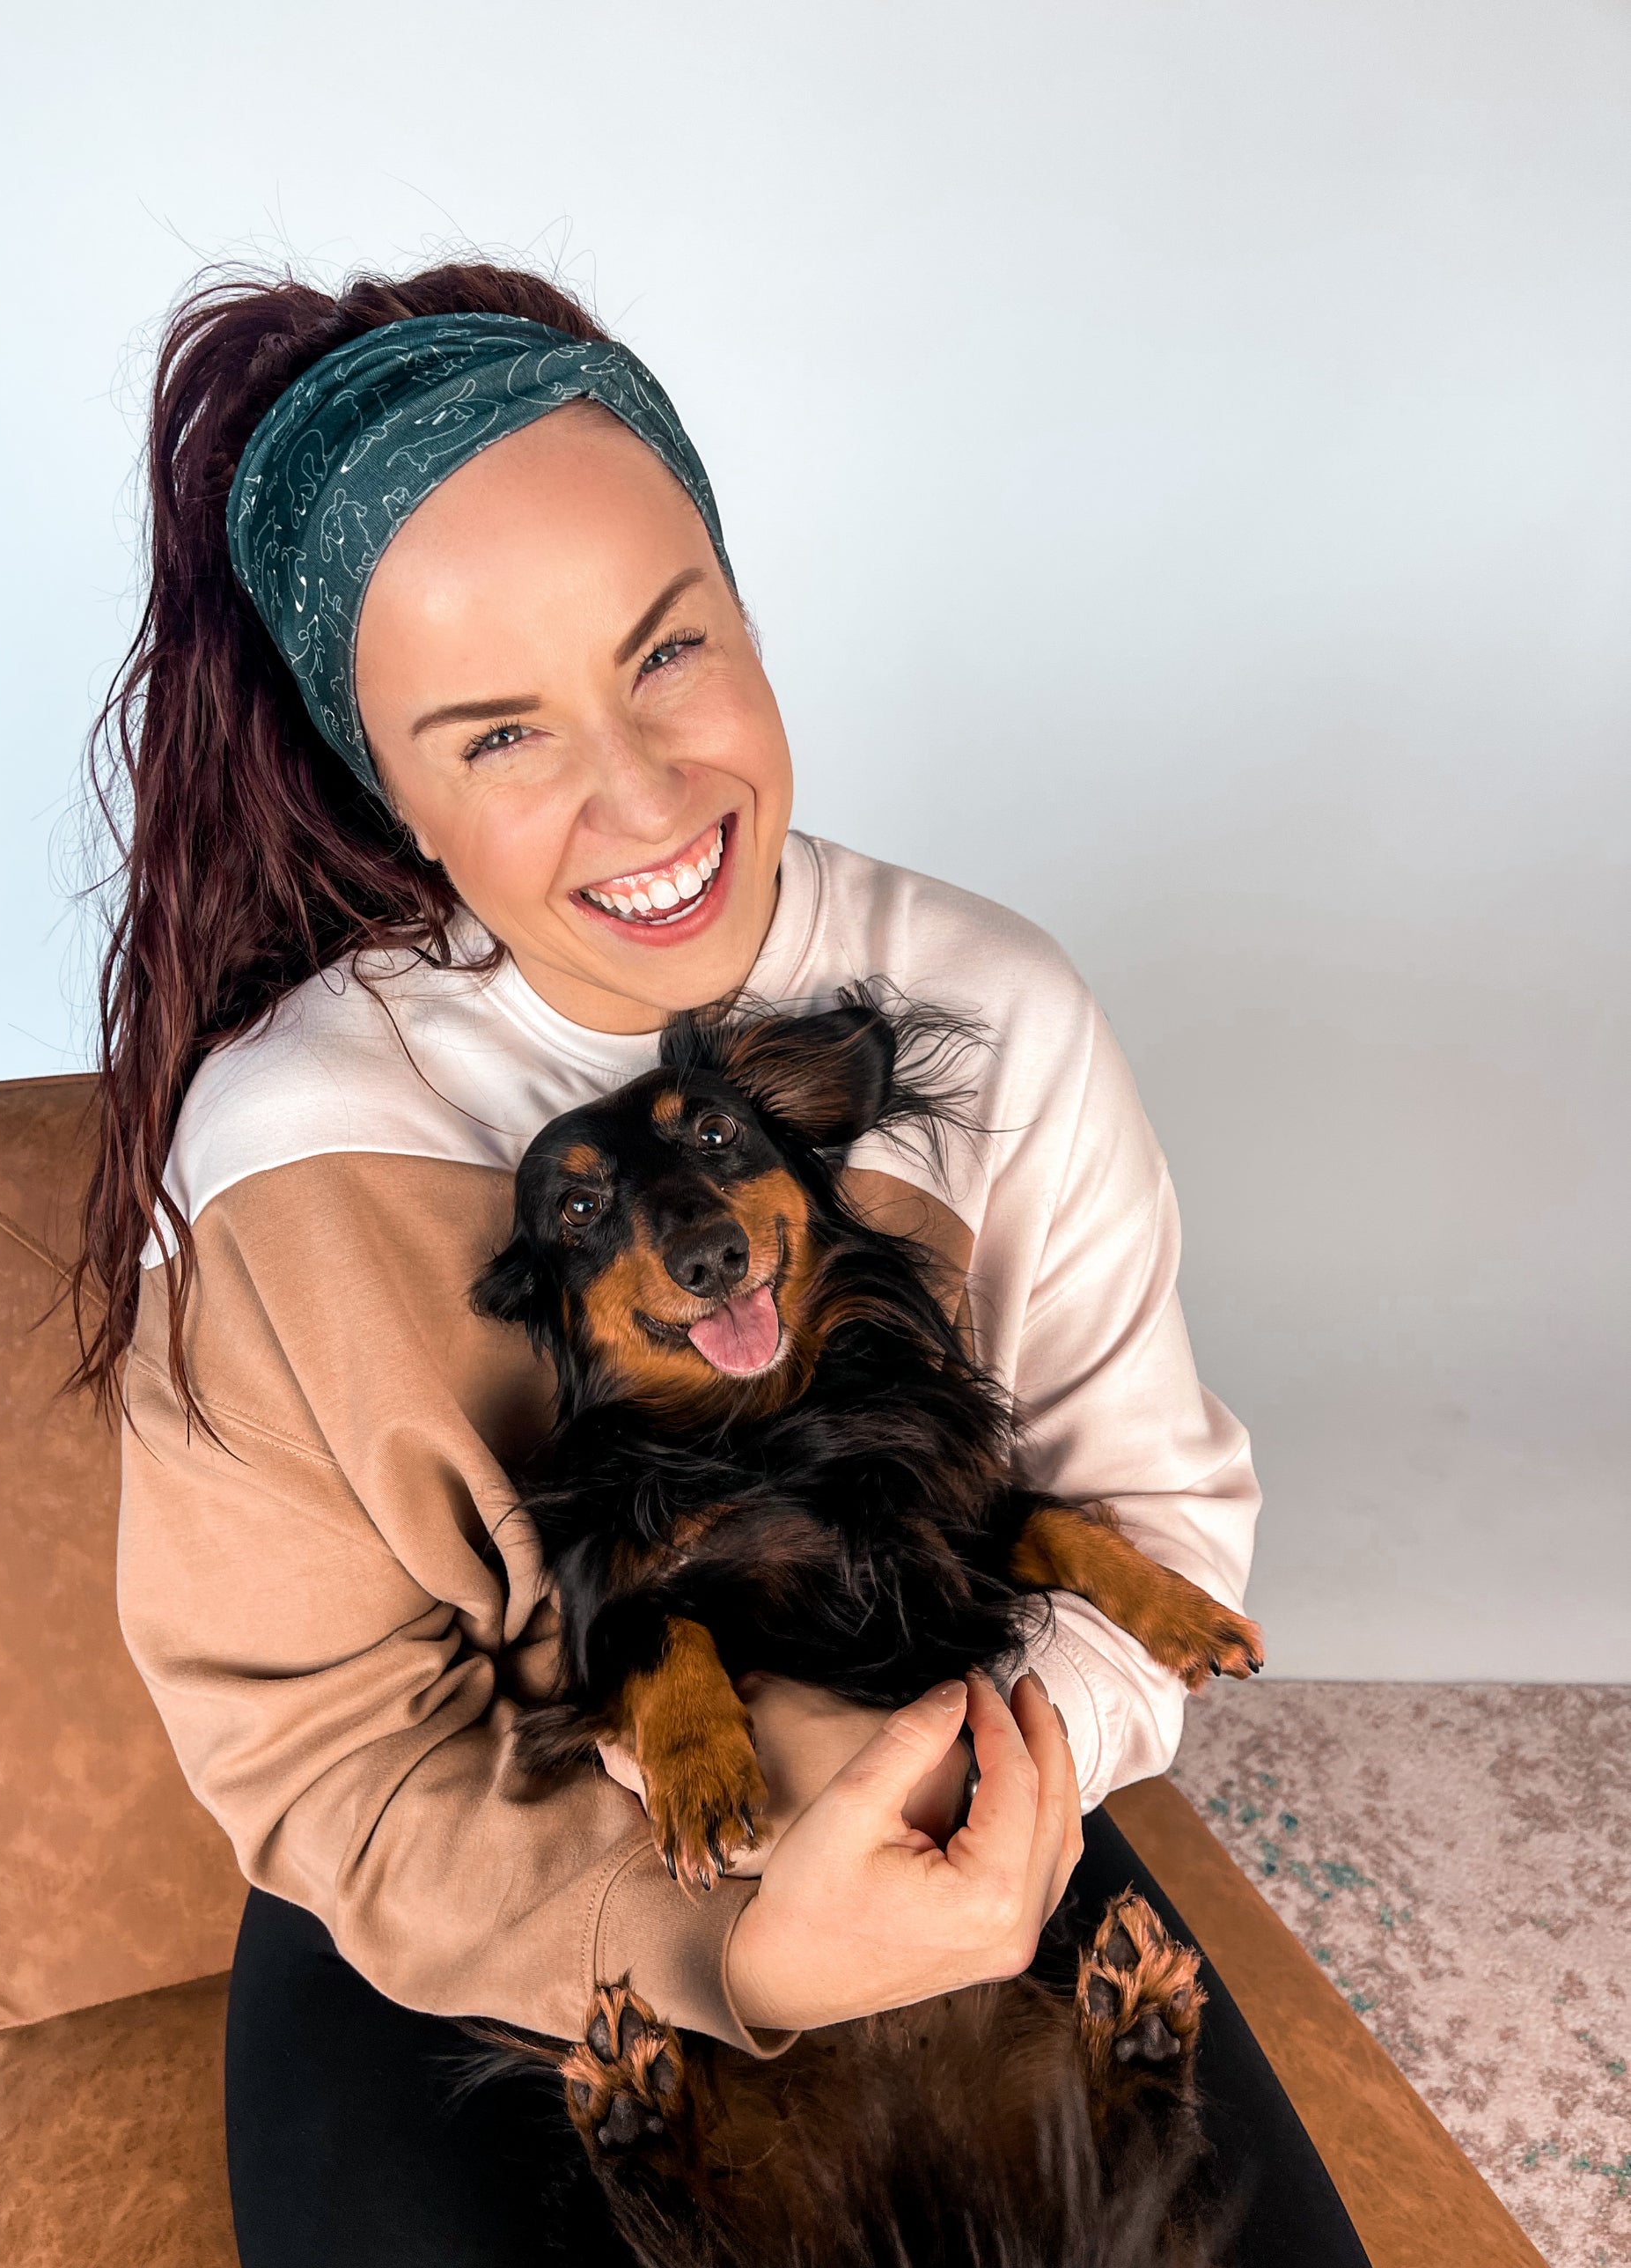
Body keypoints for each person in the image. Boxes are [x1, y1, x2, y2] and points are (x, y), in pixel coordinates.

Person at [76, 260, 1369, 2265]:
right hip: (467, 1907)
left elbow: (1150, 1526)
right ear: (385, 794)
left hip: (956, 1807)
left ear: (749, 612)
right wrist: (724, 1931)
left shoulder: (993, 1008)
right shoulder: (273, 1153)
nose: (646, 793)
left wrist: (950, 1818)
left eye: (668, 649)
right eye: (497, 732)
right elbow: (327, 1750)